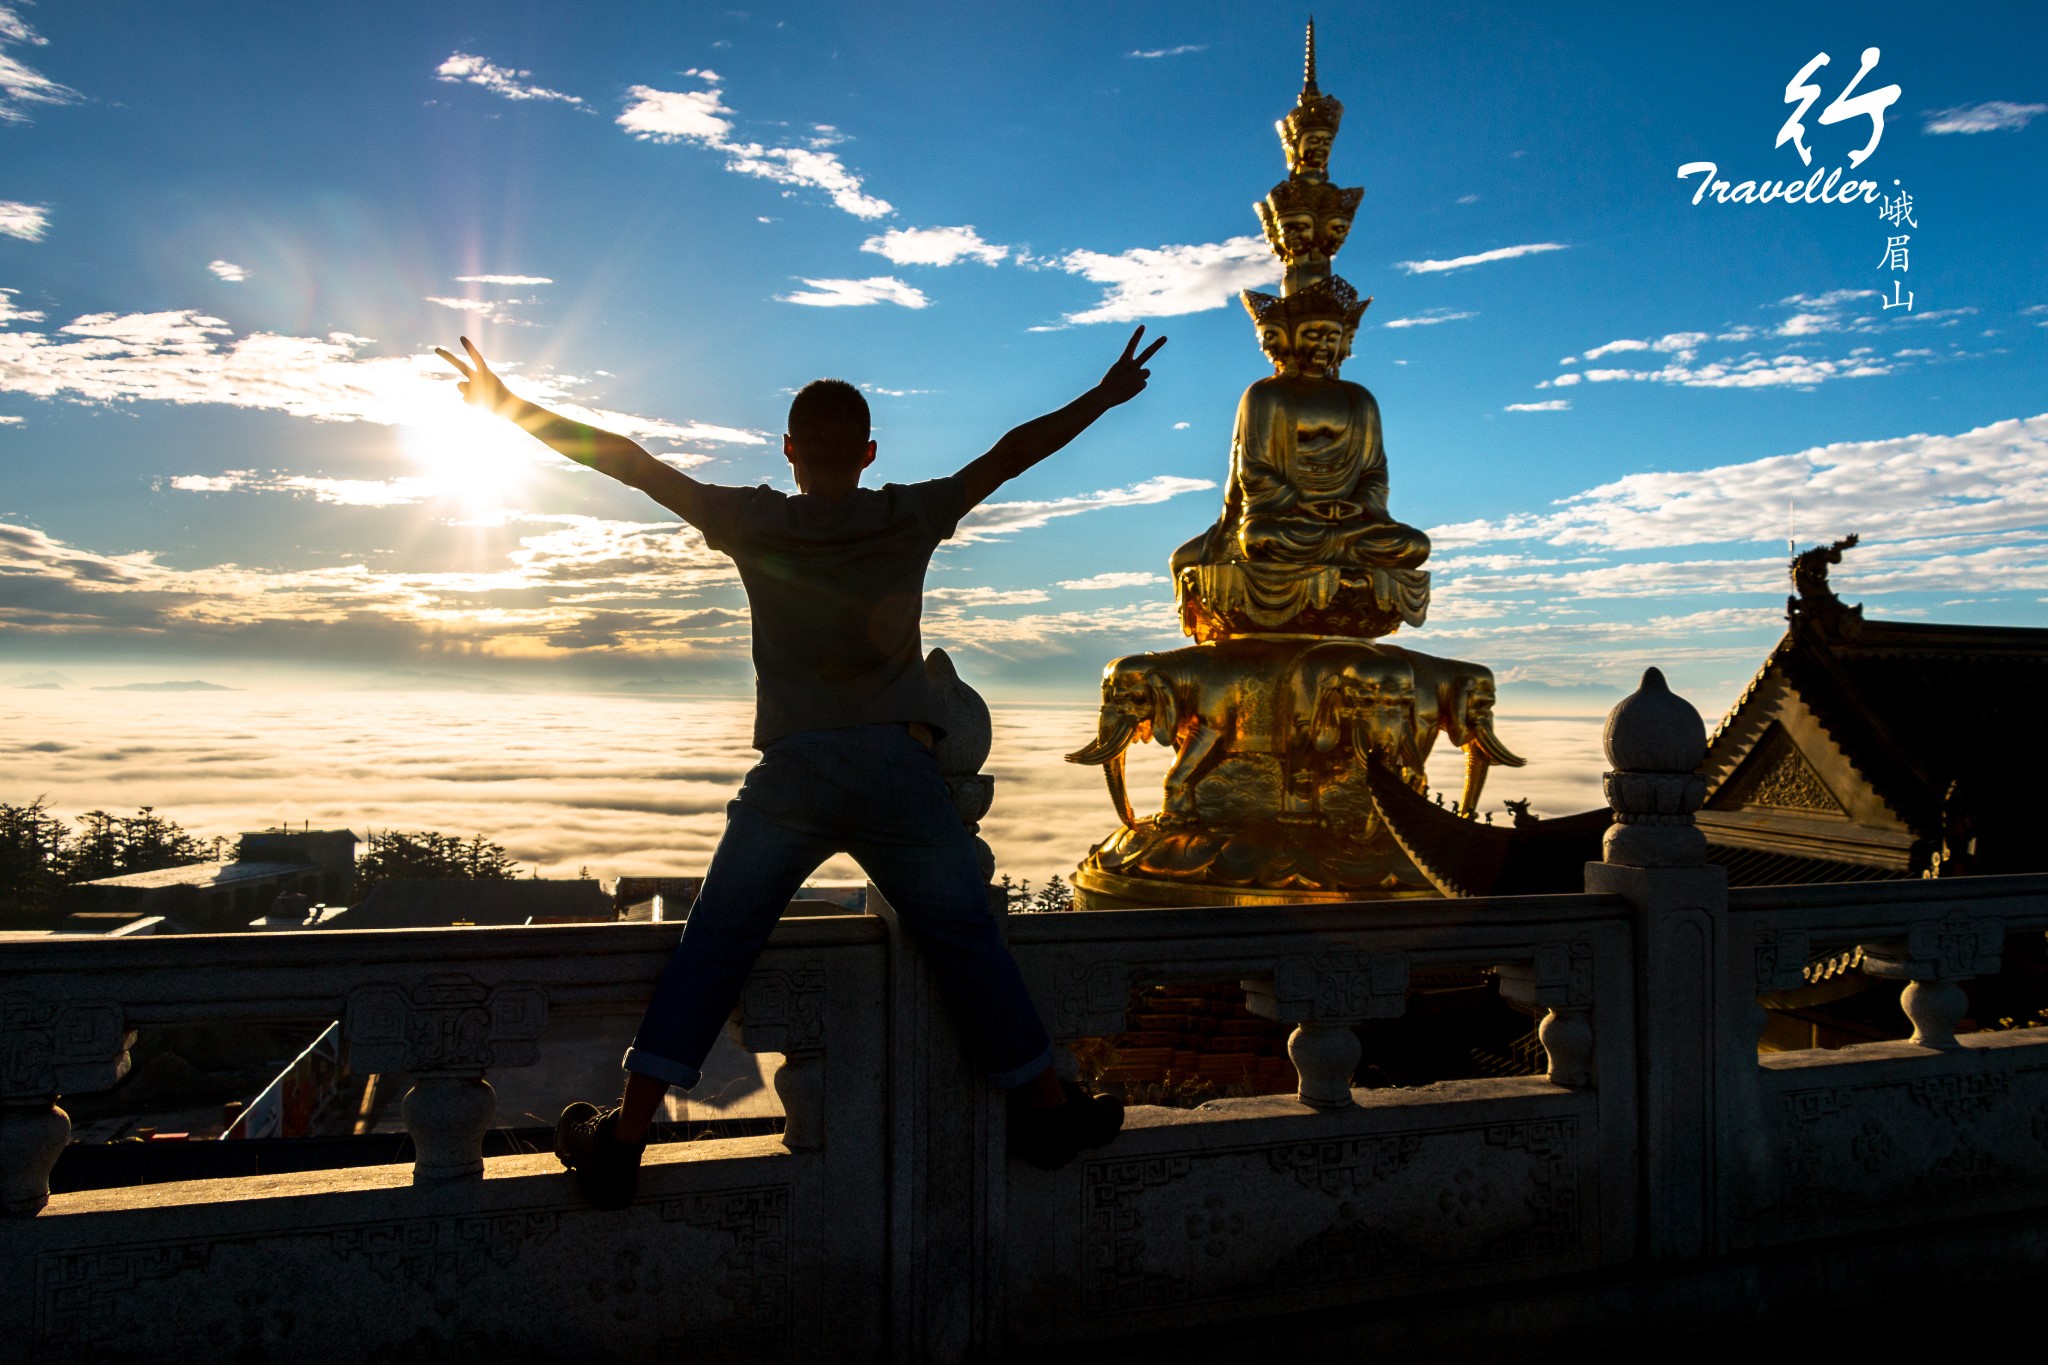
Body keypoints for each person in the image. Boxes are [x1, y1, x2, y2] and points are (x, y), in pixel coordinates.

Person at [436, 326, 1168, 1207]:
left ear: (788, 452)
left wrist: (505, 405)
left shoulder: (753, 518)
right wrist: (1102, 394)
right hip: (899, 769)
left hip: (793, 775)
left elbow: (628, 462)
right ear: (867, 452)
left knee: (715, 944)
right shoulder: (909, 513)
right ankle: (1048, 1109)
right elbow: (1009, 455)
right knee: (971, 942)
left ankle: (623, 1140)